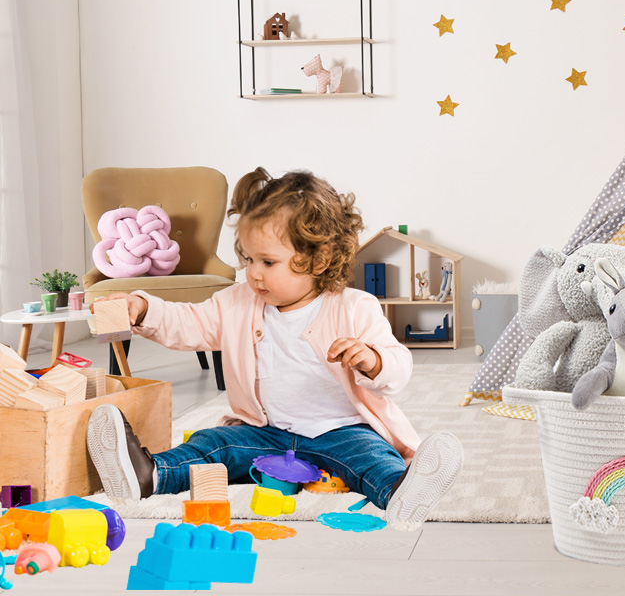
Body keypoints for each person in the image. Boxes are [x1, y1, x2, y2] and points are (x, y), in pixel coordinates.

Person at [85, 167, 463, 531]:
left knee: (372, 457)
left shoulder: (354, 306)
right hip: (264, 432)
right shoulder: (236, 302)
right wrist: (144, 308)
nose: (254, 273)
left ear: (318, 260)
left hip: (342, 430)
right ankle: (149, 475)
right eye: (249, 259)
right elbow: (188, 322)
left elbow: (399, 366)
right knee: (213, 444)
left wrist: (373, 360)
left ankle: (399, 491)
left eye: (268, 262)